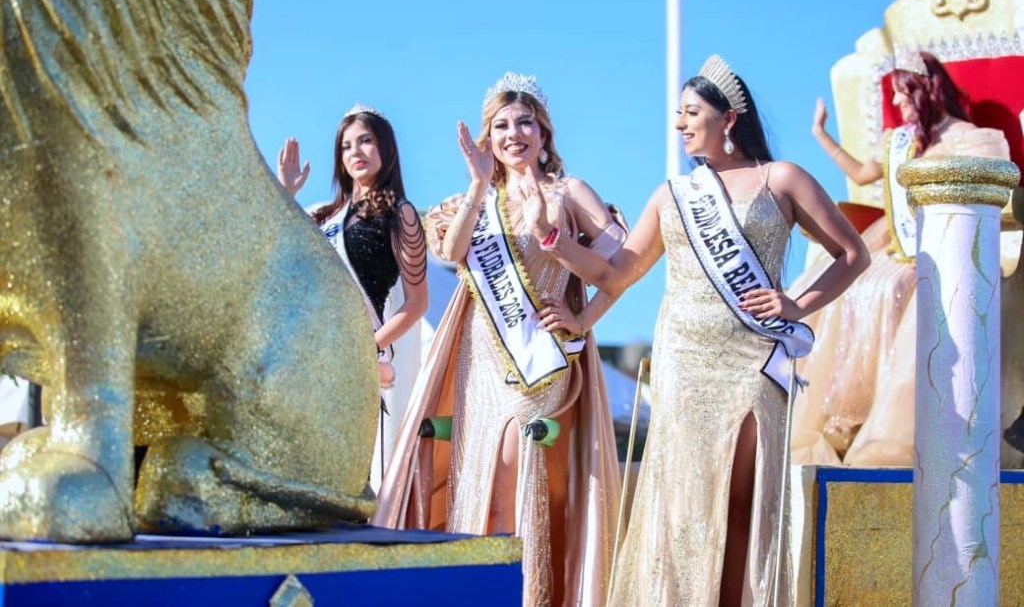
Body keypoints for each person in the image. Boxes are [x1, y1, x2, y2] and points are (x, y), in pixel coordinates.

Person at [526, 55, 869, 605]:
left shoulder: (782, 179)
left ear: (728, 119)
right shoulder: (673, 194)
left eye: (692, 113)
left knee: (742, 499)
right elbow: (617, 272)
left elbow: (853, 254)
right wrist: (553, 241)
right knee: (685, 503)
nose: (681, 124)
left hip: (754, 358)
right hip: (685, 362)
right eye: (678, 115)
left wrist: (796, 303)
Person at [374, 73, 625, 607]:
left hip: (536, 362)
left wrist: (584, 319)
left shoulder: (570, 192)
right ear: (488, 137)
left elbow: (620, 266)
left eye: (525, 123)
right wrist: (478, 185)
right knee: (480, 491)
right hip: (477, 359)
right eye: (502, 125)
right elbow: (452, 252)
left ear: (544, 132)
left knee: (515, 476)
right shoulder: (477, 196)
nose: (515, 134)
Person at [790, 50, 1009, 466]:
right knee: (837, 285)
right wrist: (821, 134)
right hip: (893, 242)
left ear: (927, 89)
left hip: (948, 245)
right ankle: (842, 417)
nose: (897, 105)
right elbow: (860, 175)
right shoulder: (903, 142)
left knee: (891, 285)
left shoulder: (972, 138)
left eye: (903, 94)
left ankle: (886, 427)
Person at [276, 104, 428, 490]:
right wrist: (286, 194)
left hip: (357, 364)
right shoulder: (323, 216)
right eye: (346, 146)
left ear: (385, 148)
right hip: (312, 357)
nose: (355, 152)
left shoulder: (401, 214)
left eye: (365, 141)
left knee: (346, 477)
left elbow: (417, 304)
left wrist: (364, 350)